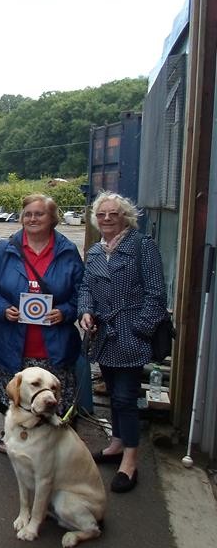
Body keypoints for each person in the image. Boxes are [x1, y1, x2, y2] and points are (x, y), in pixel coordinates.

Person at [78, 192, 168, 493]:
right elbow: (85, 289)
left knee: (125, 398)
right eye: (101, 214)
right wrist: (86, 312)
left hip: (131, 334)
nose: (106, 218)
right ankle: (116, 444)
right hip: (104, 334)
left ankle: (130, 461)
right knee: (115, 392)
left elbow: (157, 294)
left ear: (125, 216)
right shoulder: (94, 252)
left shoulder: (143, 246)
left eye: (113, 213)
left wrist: (141, 328)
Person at [0, 194, 83, 453]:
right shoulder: (6, 249)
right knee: (18, 395)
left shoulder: (67, 251)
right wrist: (3, 309)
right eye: (28, 214)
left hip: (52, 341)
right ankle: (14, 434)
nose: (32, 218)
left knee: (47, 395)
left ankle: (47, 442)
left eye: (39, 214)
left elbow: (81, 293)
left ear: (52, 219)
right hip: (12, 337)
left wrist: (66, 312)